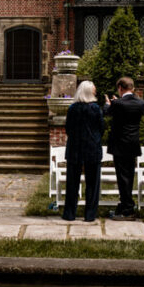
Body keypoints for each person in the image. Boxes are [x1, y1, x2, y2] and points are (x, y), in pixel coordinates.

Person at [103, 77, 144, 221]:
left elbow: (108, 112)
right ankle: (125, 204)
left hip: (120, 145)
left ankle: (127, 209)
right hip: (132, 144)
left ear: (120, 88)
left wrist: (108, 104)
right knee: (129, 176)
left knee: (122, 178)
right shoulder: (140, 102)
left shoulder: (118, 103)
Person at [62, 80, 103, 223]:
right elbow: (101, 128)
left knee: (72, 183)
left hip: (75, 148)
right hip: (92, 148)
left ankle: (69, 213)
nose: (95, 92)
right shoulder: (96, 109)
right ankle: (90, 214)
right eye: (94, 90)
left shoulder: (72, 108)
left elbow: (68, 128)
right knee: (93, 183)